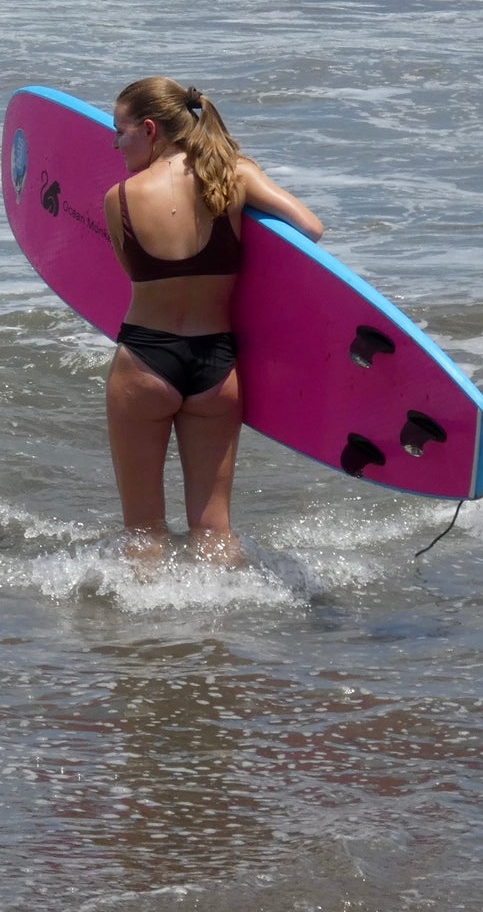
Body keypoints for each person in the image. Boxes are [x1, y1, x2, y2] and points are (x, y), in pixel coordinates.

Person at [102, 76, 323, 564]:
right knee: (215, 531)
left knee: (143, 532)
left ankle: (144, 637)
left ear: (150, 129)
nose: (115, 143)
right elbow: (310, 228)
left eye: (119, 131)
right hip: (217, 367)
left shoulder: (120, 197)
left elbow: (131, 275)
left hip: (145, 361)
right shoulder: (235, 177)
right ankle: (220, 632)